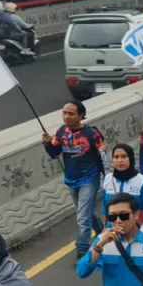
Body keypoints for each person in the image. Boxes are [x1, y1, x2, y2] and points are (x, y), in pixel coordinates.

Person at [41, 100, 108, 259]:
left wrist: (108, 177)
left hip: (89, 179)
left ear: (81, 115)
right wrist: (47, 143)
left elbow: (103, 156)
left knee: (82, 217)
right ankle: (101, 230)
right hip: (71, 180)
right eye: (64, 113)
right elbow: (54, 153)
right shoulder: (61, 132)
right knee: (84, 212)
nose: (66, 116)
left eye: (71, 114)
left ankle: (82, 250)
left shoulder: (92, 133)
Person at [101, 144, 143, 220]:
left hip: (135, 226)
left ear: (130, 158)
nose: (120, 161)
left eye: (124, 156)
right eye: (116, 157)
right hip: (113, 226)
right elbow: (105, 209)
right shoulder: (108, 179)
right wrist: (105, 226)